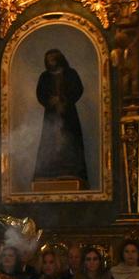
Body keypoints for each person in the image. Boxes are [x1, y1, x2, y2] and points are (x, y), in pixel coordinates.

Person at [33, 49, 88, 188]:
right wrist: (50, 100)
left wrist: (64, 99)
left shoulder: (70, 74)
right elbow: (40, 93)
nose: (51, 62)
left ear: (59, 59)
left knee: (69, 141)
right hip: (52, 115)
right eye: (48, 59)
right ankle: (49, 172)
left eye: (53, 59)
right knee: (50, 141)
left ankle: (71, 171)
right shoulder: (45, 76)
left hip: (67, 114)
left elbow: (77, 89)